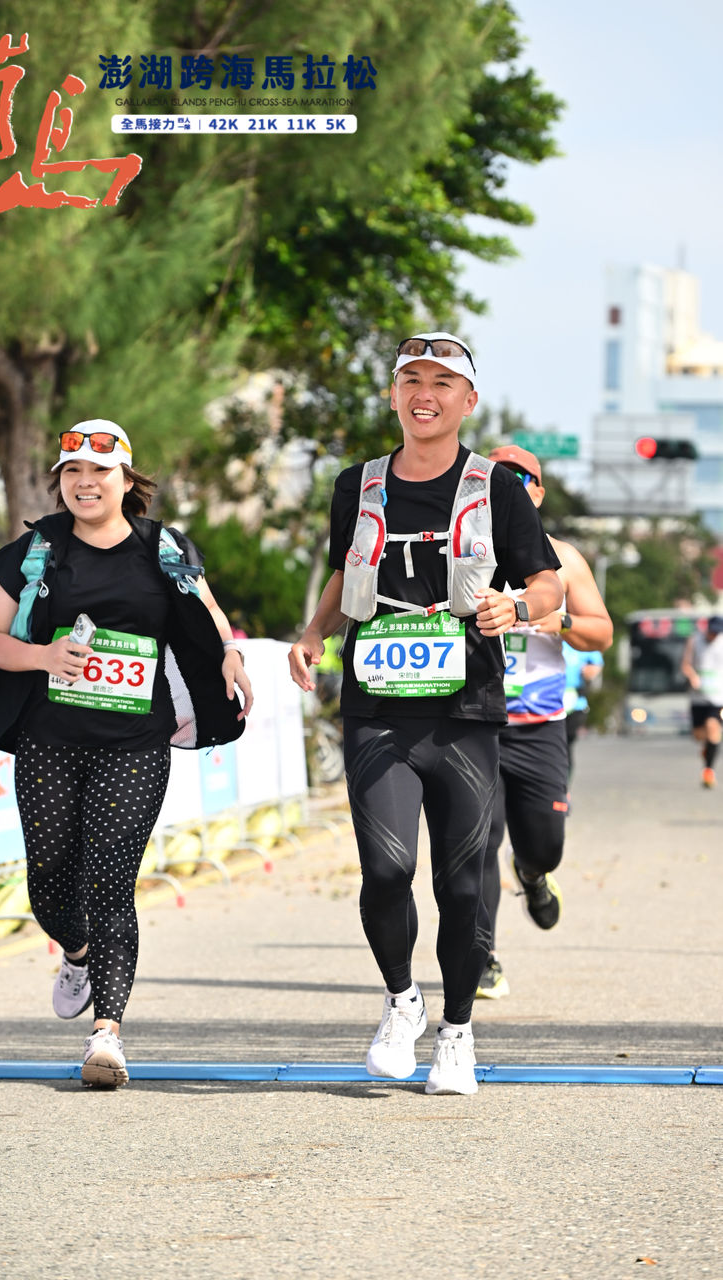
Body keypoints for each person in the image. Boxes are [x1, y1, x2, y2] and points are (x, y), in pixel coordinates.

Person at [288, 333, 563, 1095]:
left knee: (461, 885)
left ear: (466, 401)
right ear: (393, 394)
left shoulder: (495, 487)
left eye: (442, 382)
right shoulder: (357, 484)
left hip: (464, 712)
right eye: (411, 378)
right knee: (385, 870)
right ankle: (400, 1000)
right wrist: (313, 634)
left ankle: (457, 1032)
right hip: (376, 706)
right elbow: (345, 574)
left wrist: (515, 605)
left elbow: (546, 583)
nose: (425, 393)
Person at [0, 420, 253, 1088]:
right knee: (49, 880)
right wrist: (44, 656)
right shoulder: (37, 549)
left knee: (111, 882)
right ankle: (77, 951)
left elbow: (209, 614)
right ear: (60, 482)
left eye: (99, 471)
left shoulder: (164, 547)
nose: (85, 483)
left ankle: (107, 1036)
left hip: (135, 744)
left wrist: (231, 654)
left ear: (126, 480)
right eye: (72, 472)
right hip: (49, 740)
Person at [475, 445, 612, 1002]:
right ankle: (481, 956)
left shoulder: (563, 558)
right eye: (497, 478)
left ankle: (532, 874)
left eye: (521, 480)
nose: (509, 487)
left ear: (538, 493)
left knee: (544, 845)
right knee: (476, 843)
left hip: (539, 726)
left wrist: (562, 620)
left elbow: (602, 633)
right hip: (474, 722)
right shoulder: (461, 552)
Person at [681, 615, 723, 788]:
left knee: (713, 728)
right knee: (698, 735)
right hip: (698, 697)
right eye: (712, 632)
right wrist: (692, 676)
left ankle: (708, 771)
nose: (714, 635)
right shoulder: (694, 640)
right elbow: (685, 664)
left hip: (718, 697)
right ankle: (708, 748)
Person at [563, 642, 604, 779]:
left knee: (565, 744)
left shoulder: (581, 640)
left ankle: (564, 785)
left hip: (575, 702)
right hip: (547, 700)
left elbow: (597, 663)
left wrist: (591, 671)